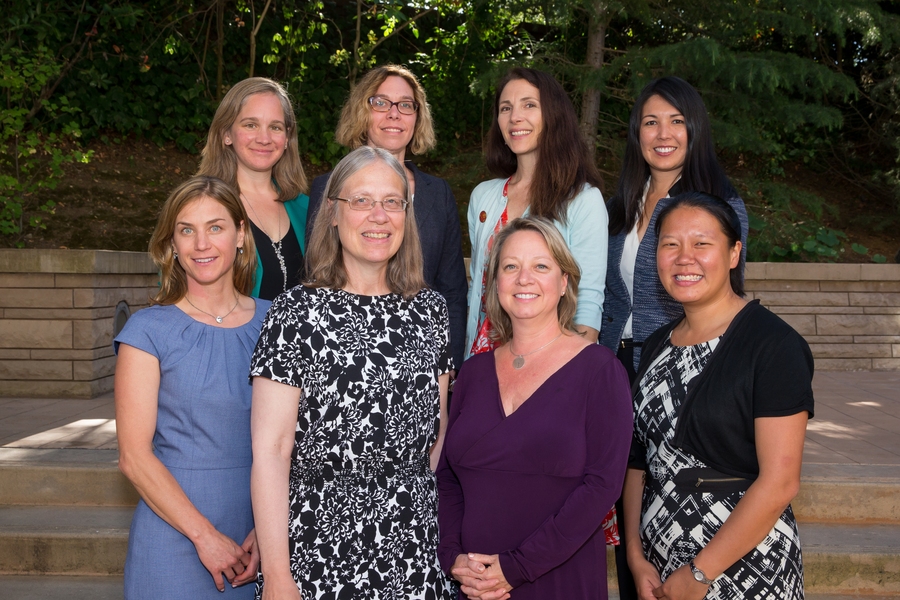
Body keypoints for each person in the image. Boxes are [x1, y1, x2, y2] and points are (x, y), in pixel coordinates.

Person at [249, 146, 455, 599]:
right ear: (334, 213)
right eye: (361, 200)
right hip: (315, 553)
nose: (378, 216)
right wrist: (279, 576)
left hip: (410, 553)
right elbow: (271, 452)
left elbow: (434, 438)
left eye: (392, 201)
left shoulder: (431, 312)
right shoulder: (295, 314)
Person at [598, 76, 750, 600]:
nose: (663, 133)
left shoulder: (716, 202)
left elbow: (719, 293)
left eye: (676, 121)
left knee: (675, 493)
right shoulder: (625, 201)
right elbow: (613, 295)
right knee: (626, 498)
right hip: (619, 366)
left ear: (696, 129)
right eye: (650, 121)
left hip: (684, 366)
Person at [623, 192, 813, 600]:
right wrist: (636, 558)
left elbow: (780, 482)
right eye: (670, 244)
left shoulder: (773, 345)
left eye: (702, 244)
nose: (684, 257)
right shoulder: (657, 344)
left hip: (744, 572)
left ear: (733, 254)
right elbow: (639, 460)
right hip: (659, 572)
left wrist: (699, 573)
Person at [438, 216, 632, 599]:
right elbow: (447, 478)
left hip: (557, 577)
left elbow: (602, 487)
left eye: (540, 266)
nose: (524, 278)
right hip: (475, 583)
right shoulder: (474, 373)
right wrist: (453, 556)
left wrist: (517, 567)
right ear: (496, 284)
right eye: (511, 267)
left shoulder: (600, 370)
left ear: (564, 283)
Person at [115, 176, 270, 599]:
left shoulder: (278, 323)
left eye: (215, 227)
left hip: (262, 536)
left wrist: (272, 526)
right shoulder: (148, 330)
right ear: (173, 244)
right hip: (175, 535)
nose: (201, 244)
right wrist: (205, 537)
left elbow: (300, 439)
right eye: (187, 230)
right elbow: (133, 457)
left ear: (241, 234)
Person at [306, 65, 468, 371]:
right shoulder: (327, 187)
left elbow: (453, 291)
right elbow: (319, 273)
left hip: (421, 358)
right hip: (345, 354)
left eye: (405, 105)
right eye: (380, 102)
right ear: (361, 113)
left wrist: (449, 369)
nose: (394, 114)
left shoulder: (439, 193)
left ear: (417, 117)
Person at [466, 67, 608, 358]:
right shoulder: (483, 197)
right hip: (480, 361)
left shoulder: (582, 201)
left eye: (529, 105)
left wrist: (562, 378)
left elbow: (586, 308)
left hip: (547, 365)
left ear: (553, 115)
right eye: (506, 108)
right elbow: (476, 294)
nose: (515, 117)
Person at [198, 77, 309, 300]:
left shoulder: (307, 208)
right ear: (226, 134)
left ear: (287, 138)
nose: (264, 138)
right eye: (251, 125)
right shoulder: (200, 206)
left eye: (275, 127)